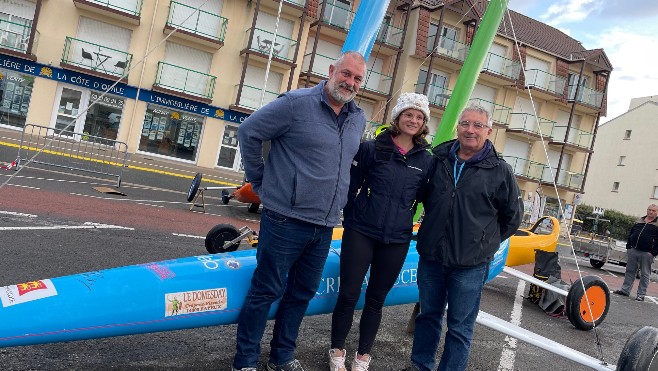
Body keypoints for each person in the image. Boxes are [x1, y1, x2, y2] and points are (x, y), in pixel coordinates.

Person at [232, 51, 367, 371]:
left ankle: (281, 357)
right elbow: (248, 132)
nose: (350, 82)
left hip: (324, 224)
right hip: (285, 219)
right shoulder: (295, 103)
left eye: (358, 78)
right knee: (265, 290)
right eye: (346, 74)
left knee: (301, 294)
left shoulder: (358, 118)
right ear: (332, 70)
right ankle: (245, 361)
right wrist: (260, 182)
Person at [409, 104, 523, 371]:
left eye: (477, 125)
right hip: (432, 257)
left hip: (470, 264)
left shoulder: (500, 171)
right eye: (465, 124)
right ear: (457, 127)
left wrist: (483, 243)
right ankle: (420, 365)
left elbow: (512, 218)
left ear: (489, 131)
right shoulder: (437, 160)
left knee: (460, 327)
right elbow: (419, 196)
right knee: (428, 317)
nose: (470, 130)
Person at [328, 93, 435, 371]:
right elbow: (351, 187)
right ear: (398, 117)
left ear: (424, 124)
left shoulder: (426, 160)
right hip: (361, 231)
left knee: (376, 300)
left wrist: (409, 223)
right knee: (349, 295)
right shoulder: (372, 149)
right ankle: (337, 349)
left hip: (397, 239)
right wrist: (353, 218)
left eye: (419, 116)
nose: (413, 120)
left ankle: (362, 356)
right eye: (408, 114)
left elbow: (425, 197)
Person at [613, 204, 658, 301]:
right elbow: (631, 233)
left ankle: (641, 294)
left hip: (647, 253)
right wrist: (628, 247)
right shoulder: (639, 221)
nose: (650, 212)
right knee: (630, 271)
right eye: (649, 210)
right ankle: (625, 290)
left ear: (657, 212)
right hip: (633, 250)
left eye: (653, 210)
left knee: (644, 274)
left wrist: (653, 252)